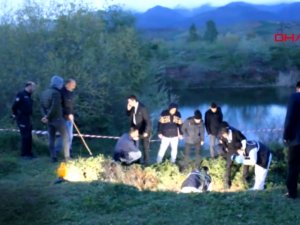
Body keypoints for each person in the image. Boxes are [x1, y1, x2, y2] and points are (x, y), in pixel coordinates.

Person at [40, 75, 70, 162]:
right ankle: (67, 157)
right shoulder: (56, 93)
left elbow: (42, 107)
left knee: (51, 138)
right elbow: (55, 107)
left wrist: (45, 116)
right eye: (61, 83)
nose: (62, 85)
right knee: (66, 137)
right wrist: (47, 116)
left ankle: (53, 157)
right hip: (57, 119)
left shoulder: (44, 92)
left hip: (49, 120)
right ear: (58, 84)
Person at [283, 80, 300, 199]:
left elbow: (289, 119)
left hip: (296, 139)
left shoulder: (294, 97)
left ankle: (292, 192)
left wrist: (286, 136)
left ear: (297, 88)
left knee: (293, 165)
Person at [12, 81, 36, 159]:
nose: (34, 88)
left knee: (29, 135)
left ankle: (29, 153)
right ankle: (24, 154)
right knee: (25, 136)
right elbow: (14, 106)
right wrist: (16, 114)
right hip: (22, 118)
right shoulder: (21, 94)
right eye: (33, 87)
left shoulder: (29, 96)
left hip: (28, 118)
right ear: (29, 86)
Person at [218, 125, 247, 189]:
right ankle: (227, 183)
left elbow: (244, 139)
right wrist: (225, 147)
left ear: (228, 132)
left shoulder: (236, 132)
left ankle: (244, 179)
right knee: (228, 165)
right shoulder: (222, 136)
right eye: (223, 135)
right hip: (231, 150)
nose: (224, 136)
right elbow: (223, 142)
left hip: (239, 148)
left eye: (225, 135)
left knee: (246, 161)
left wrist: (243, 149)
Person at [126, 95, 152, 165]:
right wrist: (128, 109)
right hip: (135, 129)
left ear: (134, 101)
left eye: (129, 101)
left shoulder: (142, 108)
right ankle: (136, 161)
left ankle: (146, 162)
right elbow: (128, 115)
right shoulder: (132, 107)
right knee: (134, 145)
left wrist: (146, 132)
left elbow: (148, 121)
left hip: (143, 129)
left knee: (145, 146)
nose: (128, 103)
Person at [55, 79, 77, 156]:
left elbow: (70, 106)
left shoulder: (71, 93)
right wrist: (67, 114)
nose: (74, 86)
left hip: (70, 117)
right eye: (73, 84)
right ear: (68, 84)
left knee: (70, 136)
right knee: (65, 136)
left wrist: (71, 114)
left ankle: (68, 151)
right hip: (63, 117)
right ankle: (57, 151)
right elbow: (59, 106)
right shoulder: (61, 93)